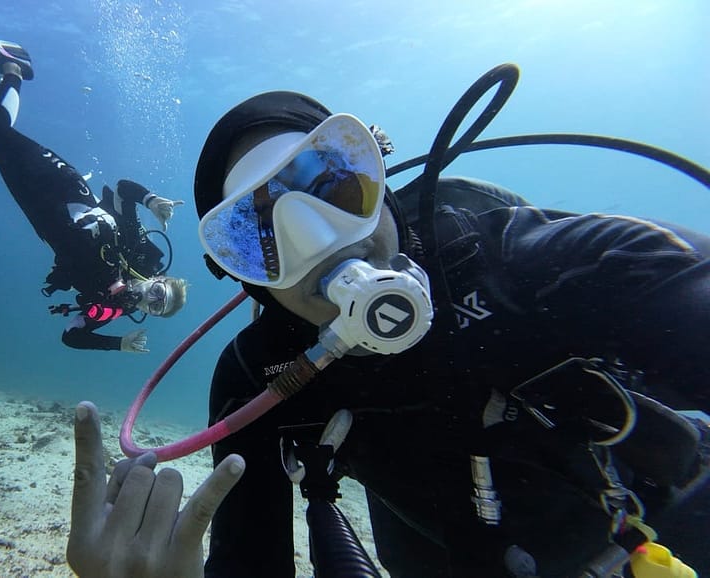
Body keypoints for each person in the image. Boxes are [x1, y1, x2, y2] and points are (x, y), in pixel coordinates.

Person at [67, 77, 710, 576]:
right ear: (241, 276)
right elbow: (248, 564)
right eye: (260, 235)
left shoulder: (527, 264)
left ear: (380, 178)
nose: (319, 242)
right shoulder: (259, 379)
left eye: (334, 186)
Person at [0, 41, 188, 353]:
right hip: (63, 184)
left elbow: (71, 334)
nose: (149, 299)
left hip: (36, 210)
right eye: (158, 292)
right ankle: (15, 69)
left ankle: (13, 73)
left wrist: (118, 344)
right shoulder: (138, 251)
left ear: (147, 314)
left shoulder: (111, 308)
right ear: (160, 279)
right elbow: (123, 191)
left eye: (154, 307)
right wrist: (152, 200)